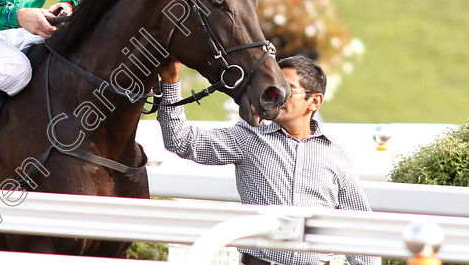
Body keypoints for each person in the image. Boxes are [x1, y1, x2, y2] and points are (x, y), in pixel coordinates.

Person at [156, 55, 379, 265]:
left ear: (314, 101)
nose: (278, 94)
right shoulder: (249, 136)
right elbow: (181, 140)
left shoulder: (337, 154)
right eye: (276, 85)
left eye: (288, 89)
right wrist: (171, 82)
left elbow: (359, 231)